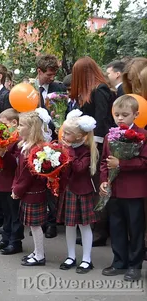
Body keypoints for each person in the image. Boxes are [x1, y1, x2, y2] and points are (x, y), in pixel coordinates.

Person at [100, 95, 147, 281]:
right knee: (116, 227)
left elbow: (144, 162)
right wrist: (104, 181)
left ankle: (135, 265)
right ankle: (119, 261)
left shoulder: (143, 136)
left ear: (135, 114)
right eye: (117, 114)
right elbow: (105, 161)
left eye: (125, 114)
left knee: (135, 229)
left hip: (134, 190)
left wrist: (121, 163)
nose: (120, 118)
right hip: (114, 190)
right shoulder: (109, 135)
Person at [71, 56, 115, 246]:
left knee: (99, 187)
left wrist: (93, 146)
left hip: (98, 146)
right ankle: (96, 228)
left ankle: (100, 231)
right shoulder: (91, 91)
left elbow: (102, 120)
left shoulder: (100, 90)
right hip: (91, 144)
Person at [58, 110, 99, 274]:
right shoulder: (66, 146)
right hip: (68, 190)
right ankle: (71, 256)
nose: (64, 135)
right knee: (69, 225)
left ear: (79, 136)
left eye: (67, 133)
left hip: (82, 191)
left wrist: (69, 151)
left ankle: (87, 259)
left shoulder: (86, 150)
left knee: (84, 225)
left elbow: (79, 168)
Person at [13, 108, 51, 266]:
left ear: (31, 128)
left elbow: (27, 174)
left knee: (35, 226)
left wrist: (17, 189)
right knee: (31, 224)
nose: (18, 128)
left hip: (33, 191)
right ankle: (36, 251)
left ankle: (40, 255)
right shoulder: (26, 145)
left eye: (21, 125)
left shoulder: (34, 149)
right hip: (28, 191)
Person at [0, 108, 24, 255]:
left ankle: (15, 241)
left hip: (12, 180)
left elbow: (17, 162)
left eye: (3, 123)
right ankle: (6, 237)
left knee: (14, 213)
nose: (0, 126)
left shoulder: (18, 140)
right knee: (6, 212)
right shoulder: (3, 137)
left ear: (14, 123)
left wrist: (4, 153)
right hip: (1, 181)